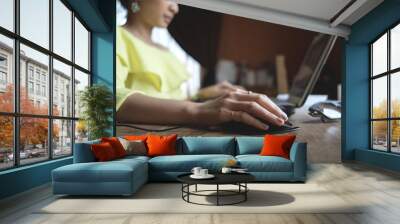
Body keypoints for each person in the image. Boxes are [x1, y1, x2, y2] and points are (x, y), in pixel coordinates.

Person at [116, 0, 288, 130]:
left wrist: (201, 95)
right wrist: (197, 111)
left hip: (175, 130)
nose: (175, 8)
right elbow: (113, 99)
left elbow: (169, 100)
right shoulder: (116, 37)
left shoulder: (165, 50)